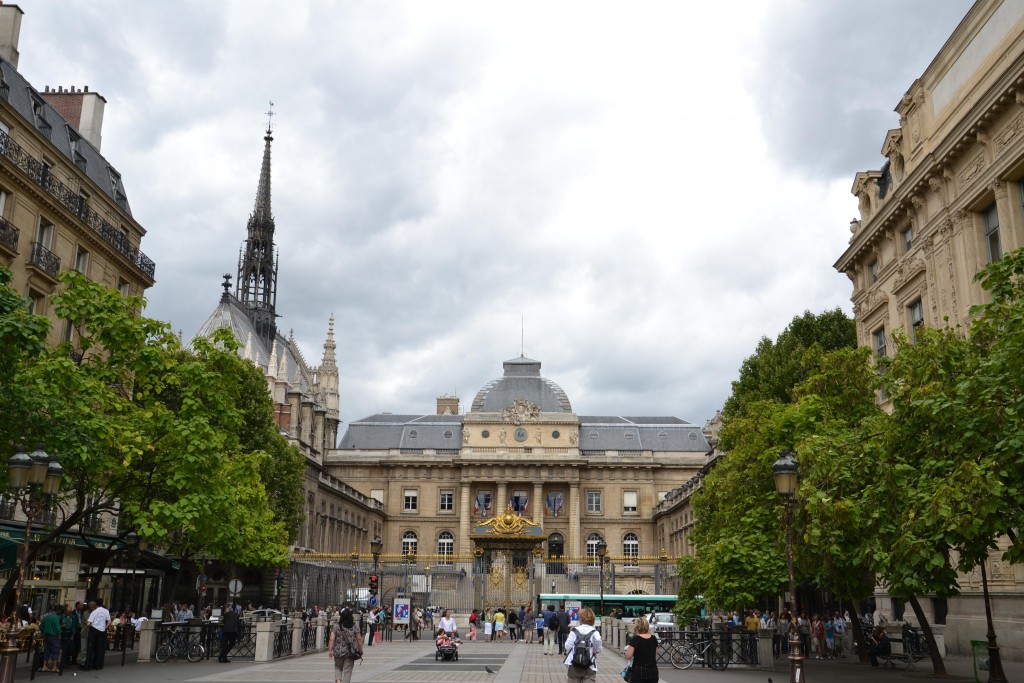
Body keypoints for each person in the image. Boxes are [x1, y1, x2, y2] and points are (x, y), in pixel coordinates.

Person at [562, 607, 602, 682]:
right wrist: (596, 650)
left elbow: (567, 646)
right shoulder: (594, 632)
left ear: (581, 618)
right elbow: (598, 641)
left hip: (574, 664)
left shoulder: (574, 631)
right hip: (589, 665)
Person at [328, 608, 361, 683]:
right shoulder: (354, 626)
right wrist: (360, 649)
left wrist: (330, 650)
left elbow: (331, 639)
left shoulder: (336, 626)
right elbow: (359, 639)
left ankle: (338, 681)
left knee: (337, 667)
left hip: (338, 652)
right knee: (347, 672)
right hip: (349, 653)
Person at [624, 616, 658, 683]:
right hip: (653, 672)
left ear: (637, 627)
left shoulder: (636, 639)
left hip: (639, 672)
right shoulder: (653, 639)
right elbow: (655, 654)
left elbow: (628, 656)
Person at [85, 598, 110, 671]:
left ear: (96, 603)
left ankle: (88, 666)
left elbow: (89, 623)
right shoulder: (106, 611)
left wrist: (89, 627)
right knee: (100, 648)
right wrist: (105, 627)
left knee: (90, 648)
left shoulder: (94, 612)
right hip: (102, 630)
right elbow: (109, 621)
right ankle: (98, 665)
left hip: (94, 630)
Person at [39, 605, 63, 672]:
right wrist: (59, 634)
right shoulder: (56, 617)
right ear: (58, 610)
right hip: (54, 636)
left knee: (47, 650)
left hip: (47, 636)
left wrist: (44, 632)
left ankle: (44, 666)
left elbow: (41, 627)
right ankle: (54, 667)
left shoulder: (46, 616)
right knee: (55, 651)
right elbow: (57, 628)